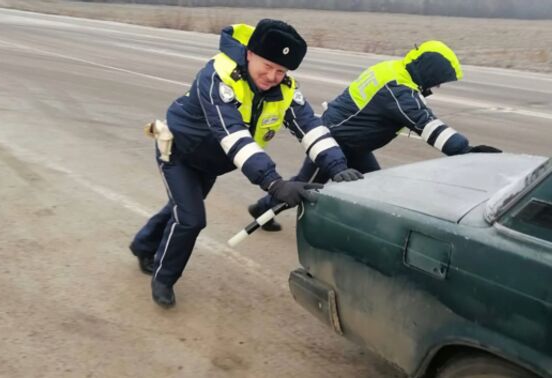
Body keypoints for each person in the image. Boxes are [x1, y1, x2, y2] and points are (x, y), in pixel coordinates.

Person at [130, 19, 362, 308]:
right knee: (191, 218)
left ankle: (142, 244)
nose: (272, 76)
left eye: (281, 70)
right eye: (267, 65)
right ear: (250, 53)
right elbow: (233, 134)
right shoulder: (217, 76)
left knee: (179, 208)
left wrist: (337, 165)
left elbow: (310, 126)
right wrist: (274, 183)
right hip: (178, 153)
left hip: (212, 162)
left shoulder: (285, 89)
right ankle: (164, 279)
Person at [250, 40, 501, 231]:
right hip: (333, 142)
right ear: (430, 71)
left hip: (354, 143)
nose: (436, 88)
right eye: (437, 82)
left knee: (372, 184)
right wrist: (465, 151)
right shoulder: (399, 89)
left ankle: (362, 230)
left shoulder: (393, 70)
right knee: (304, 187)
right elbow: (427, 124)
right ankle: (264, 211)